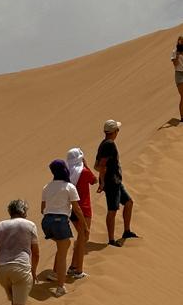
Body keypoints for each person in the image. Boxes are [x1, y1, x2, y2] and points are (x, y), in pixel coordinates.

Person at [40, 159, 85, 295]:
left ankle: (55, 273)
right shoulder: (69, 187)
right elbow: (77, 209)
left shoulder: (46, 187)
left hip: (46, 222)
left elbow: (42, 209)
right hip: (60, 221)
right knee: (63, 252)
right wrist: (84, 225)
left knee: (62, 247)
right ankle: (60, 287)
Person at [95, 120, 137, 247]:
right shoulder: (109, 145)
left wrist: (102, 180)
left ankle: (126, 231)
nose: (118, 132)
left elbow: (99, 165)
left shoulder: (105, 143)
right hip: (112, 182)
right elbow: (101, 165)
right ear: (114, 132)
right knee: (112, 210)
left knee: (128, 203)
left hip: (116, 181)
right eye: (117, 130)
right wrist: (102, 182)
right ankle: (111, 240)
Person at [65, 146, 97, 279]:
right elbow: (94, 180)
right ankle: (78, 270)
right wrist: (87, 165)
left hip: (71, 210)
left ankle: (73, 266)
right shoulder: (83, 171)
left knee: (81, 236)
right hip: (84, 209)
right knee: (83, 237)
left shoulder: (67, 173)